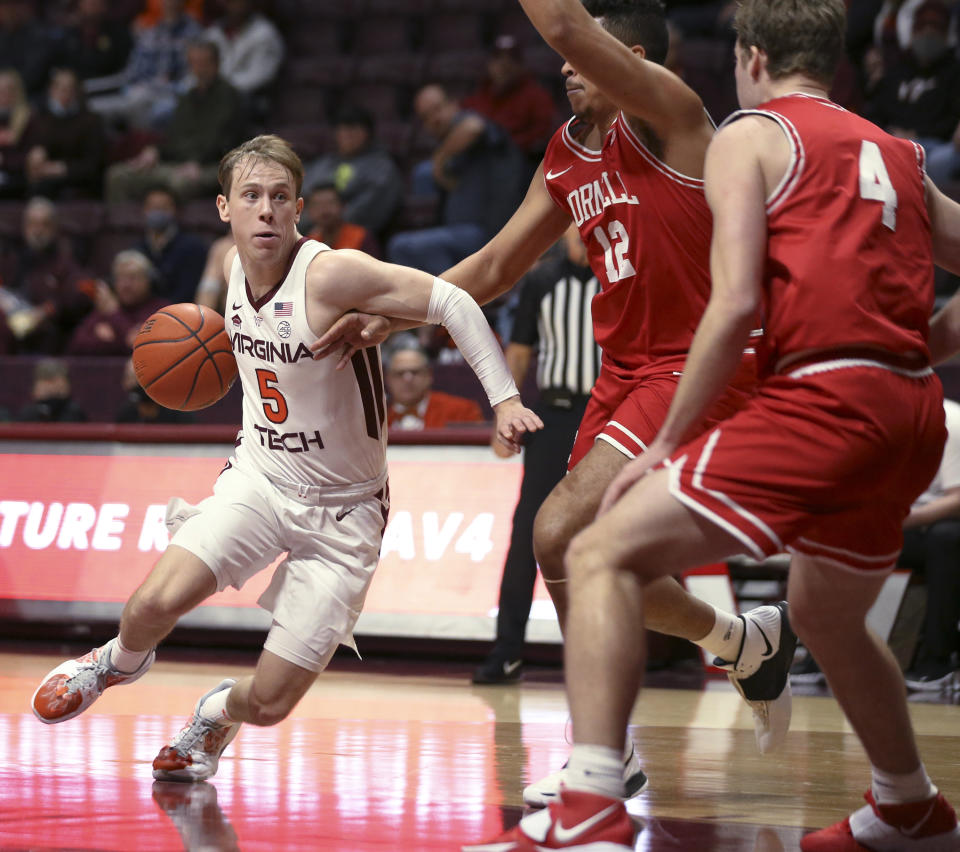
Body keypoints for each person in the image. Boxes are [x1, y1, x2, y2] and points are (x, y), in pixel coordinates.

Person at [463, 0, 960, 848]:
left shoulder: (742, 135)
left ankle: (594, 801)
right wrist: (926, 342)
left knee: (596, 549)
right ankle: (908, 801)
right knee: (828, 614)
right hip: (906, 401)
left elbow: (734, 306)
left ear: (751, 56)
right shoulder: (899, 152)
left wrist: (665, 442)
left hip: (792, 387)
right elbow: (499, 261)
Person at [315, 0, 795, 807]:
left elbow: (567, 27)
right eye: (565, 59)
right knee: (570, 558)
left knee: (557, 528)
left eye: (587, 54)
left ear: (632, 55)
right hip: (622, 373)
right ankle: (738, 645)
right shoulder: (566, 153)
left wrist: (570, 28)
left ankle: (607, 752)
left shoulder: (671, 116)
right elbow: (499, 263)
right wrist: (393, 315)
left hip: (695, 367)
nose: (564, 65)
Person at [31, 134, 543, 787]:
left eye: (279, 198)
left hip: (344, 513)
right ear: (224, 208)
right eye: (251, 196)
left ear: (299, 207)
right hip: (262, 479)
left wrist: (502, 398)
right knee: (150, 604)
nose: (266, 211)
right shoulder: (227, 266)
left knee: (270, 703)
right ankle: (114, 663)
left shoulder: (332, 274)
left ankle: (216, 713)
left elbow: (453, 301)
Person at [473, 226, 600, 684]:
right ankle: (507, 651)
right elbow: (521, 351)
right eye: (573, 230)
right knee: (528, 531)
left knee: (610, 535)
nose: (581, 238)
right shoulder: (543, 281)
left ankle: (617, 654)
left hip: (607, 418)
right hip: (556, 415)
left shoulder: (619, 279)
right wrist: (502, 418)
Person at [387, 83, 527, 276]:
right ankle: (453, 294)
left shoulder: (467, 126)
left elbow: (473, 127)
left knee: (402, 246)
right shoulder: (450, 147)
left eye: (438, 109)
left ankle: (452, 296)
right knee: (422, 175)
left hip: (490, 232)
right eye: (426, 117)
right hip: (460, 233)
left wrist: (439, 160)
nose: (434, 119)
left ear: (453, 104)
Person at [104, 39, 247, 203]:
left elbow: (225, 144)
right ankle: (124, 227)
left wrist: (198, 163)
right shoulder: (186, 98)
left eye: (203, 63)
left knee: (180, 183)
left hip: (213, 165)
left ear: (216, 64)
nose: (198, 69)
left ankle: (169, 228)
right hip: (177, 163)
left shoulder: (230, 97)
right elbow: (172, 138)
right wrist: (155, 151)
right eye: (194, 63)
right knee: (117, 176)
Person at [865, 0, 960, 186]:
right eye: (922, 26)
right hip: (891, 139)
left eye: (935, 27)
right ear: (913, 30)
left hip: (932, 146)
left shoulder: (954, 73)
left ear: (946, 33)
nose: (928, 33)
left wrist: (916, 134)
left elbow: (952, 120)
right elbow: (876, 112)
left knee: (943, 160)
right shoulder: (896, 69)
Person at [900, 397, 960, 691]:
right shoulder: (872, 418)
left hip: (937, 523)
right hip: (901, 524)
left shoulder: (952, 422)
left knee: (946, 538)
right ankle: (817, 657)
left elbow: (957, 497)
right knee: (832, 534)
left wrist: (901, 519)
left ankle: (937, 660)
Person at [85, 0, 203, 132]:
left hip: (171, 96)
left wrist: (161, 86)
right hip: (140, 93)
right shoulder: (150, 32)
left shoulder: (195, 33)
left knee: (150, 109)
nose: (170, 3)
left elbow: (193, 76)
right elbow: (132, 72)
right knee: (96, 109)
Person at [0, 196, 92, 354]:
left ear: (55, 228)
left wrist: (47, 310)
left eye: (44, 224)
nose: (37, 230)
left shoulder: (65, 261)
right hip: (11, 333)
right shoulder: (10, 259)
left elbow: (84, 290)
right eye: (32, 224)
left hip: (50, 340)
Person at [301, 104, 405, 241]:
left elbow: (368, 210)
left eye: (352, 129)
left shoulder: (382, 168)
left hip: (355, 239)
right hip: (310, 231)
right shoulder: (324, 163)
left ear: (367, 133)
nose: (346, 135)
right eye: (342, 129)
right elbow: (303, 194)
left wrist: (326, 224)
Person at [462, 34, 557, 166]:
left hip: (518, 163)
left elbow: (544, 135)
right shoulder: (478, 94)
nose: (503, 65)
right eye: (498, 58)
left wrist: (508, 145)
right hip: (480, 162)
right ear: (489, 64)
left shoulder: (536, 96)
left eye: (511, 59)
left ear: (521, 65)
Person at [22, 67, 106, 200]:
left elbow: (93, 165)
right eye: (59, 87)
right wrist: (34, 154)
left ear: (77, 91)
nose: (64, 93)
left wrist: (60, 168)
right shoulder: (39, 119)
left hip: (78, 179)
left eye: (69, 88)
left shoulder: (91, 121)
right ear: (51, 90)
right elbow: (29, 150)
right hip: (44, 176)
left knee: (44, 188)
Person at [67, 249, 169, 356]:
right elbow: (75, 346)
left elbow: (140, 347)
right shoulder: (104, 309)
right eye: (120, 278)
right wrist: (119, 341)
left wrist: (114, 314)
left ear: (148, 280)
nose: (126, 285)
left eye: (133, 278)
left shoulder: (161, 311)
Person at [384, 338, 485, 430]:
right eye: (399, 373)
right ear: (387, 379)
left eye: (415, 372)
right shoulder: (375, 419)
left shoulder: (462, 411)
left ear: (429, 375)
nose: (407, 379)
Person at [134, 186, 209, 304]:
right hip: (143, 317)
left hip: (180, 314)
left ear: (175, 210)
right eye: (153, 207)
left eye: (163, 207)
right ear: (144, 210)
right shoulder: (136, 250)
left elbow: (188, 292)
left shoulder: (193, 248)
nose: (157, 212)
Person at [304, 183, 379, 258]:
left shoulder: (361, 237)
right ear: (308, 210)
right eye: (317, 205)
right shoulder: (309, 242)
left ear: (343, 206)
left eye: (331, 203)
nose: (325, 210)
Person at [15, 357, 88, 423]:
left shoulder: (74, 413)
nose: (51, 387)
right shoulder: (28, 414)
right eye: (46, 379)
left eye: (55, 380)